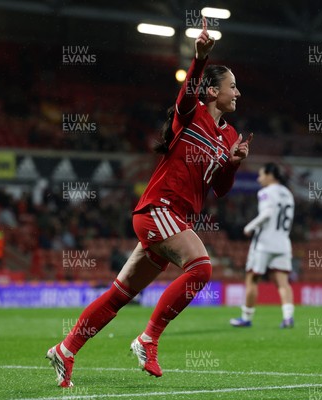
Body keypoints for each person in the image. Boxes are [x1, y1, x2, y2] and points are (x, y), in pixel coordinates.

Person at [46, 16, 253, 387]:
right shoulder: (191, 116)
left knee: (119, 295)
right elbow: (185, 93)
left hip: (173, 219)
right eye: (232, 86)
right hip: (159, 210)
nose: (238, 93)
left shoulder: (229, 135)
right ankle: (148, 338)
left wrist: (233, 165)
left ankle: (66, 348)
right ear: (211, 91)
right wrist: (200, 59)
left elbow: (219, 189)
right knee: (202, 268)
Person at [230, 163, 295, 329]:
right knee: (282, 281)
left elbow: (267, 213)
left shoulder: (265, 192)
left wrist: (249, 227)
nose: (259, 179)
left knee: (252, 278)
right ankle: (288, 317)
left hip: (265, 243)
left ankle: (246, 317)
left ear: (270, 175)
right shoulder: (288, 193)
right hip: (283, 242)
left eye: (261, 175)